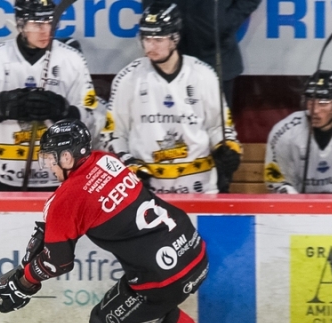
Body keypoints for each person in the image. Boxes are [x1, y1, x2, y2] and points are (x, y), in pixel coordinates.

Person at [0, 119, 243, 323]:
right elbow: (87, 207)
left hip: (161, 275)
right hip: (192, 252)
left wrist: (23, 283)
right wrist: (46, 237)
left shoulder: (66, 200)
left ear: (67, 156)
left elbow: (57, 261)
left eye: (50, 158)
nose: (47, 165)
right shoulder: (105, 160)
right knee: (152, 307)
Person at [101, 1, 241, 195]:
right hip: (147, 190)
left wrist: (226, 149)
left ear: (174, 38)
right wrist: (128, 164)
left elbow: (219, 126)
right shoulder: (128, 79)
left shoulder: (204, 74)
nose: (150, 46)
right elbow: (113, 134)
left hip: (200, 188)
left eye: (158, 39)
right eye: (146, 39)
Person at [0, 0, 98, 192]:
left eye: (50, 22)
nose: (46, 30)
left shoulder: (72, 60)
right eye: (37, 24)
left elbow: (93, 120)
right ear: (20, 24)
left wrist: (65, 111)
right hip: (7, 181)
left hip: (60, 181)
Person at [151, 0, 263, 109]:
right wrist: (156, 20)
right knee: (169, 121)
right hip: (170, 55)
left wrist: (225, 22)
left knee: (218, 123)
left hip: (216, 55)